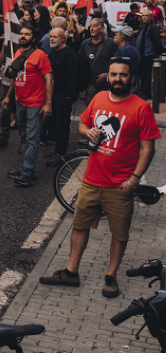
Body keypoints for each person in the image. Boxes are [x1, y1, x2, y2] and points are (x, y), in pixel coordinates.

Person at [39, 59, 158, 299]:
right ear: (108, 76)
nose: (117, 79)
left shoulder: (141, 107)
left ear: (131, 79)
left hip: (120, 186)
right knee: (80, 226)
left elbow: (148, 149)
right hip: (91, 180)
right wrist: (88, 131)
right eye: (113, 74)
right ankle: (72, 272)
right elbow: (82, 125)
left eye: (123, 75)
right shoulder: (99, 98)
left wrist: (134, 180)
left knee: (119, 234)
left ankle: (110, 277)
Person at [3, 26, 54, 187]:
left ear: (33, 38)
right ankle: (25, 168)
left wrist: (48, 103)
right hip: (20, 101)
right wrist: (8, 96)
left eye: (27, 34)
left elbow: (49, 79)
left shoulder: (40, 55)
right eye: (22, 34)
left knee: (32, 139)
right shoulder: (18, 53)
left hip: (35, 103)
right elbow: (14, 77)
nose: (23, 36)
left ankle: (28, 173)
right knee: (24, 136)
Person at [43, 28, 80, 167]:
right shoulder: (52, 53)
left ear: (63, 38)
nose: (52, 39)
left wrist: (69, 96)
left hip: (64, 95)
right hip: (53, 94)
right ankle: (58, 149)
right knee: (55, 123)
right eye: (51, 36)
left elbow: (73, 76)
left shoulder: (69, 55)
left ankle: (61, 152)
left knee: (62, 124)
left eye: (55, 37)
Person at [81, 17, 118, 104]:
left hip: (106, 85)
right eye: (90, 26)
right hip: (91, 84)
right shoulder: (85, 44)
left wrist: (108, 74)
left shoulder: (111, 43)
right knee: (91, 109)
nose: (91, 29)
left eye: (94, 26)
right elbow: (82, 64)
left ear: (101, 29)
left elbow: (117, 63)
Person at [135, 8, 161, 99]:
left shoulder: (152, 28)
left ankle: (147, 94)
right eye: (143, 16)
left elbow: (157, 41)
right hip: (140, 55)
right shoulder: (142, 26)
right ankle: (143, 92)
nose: (144, 17)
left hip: (147, 54)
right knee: (141, 74)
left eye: (146, 16)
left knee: (146, 75)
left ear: (150, 17)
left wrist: (155, 53)